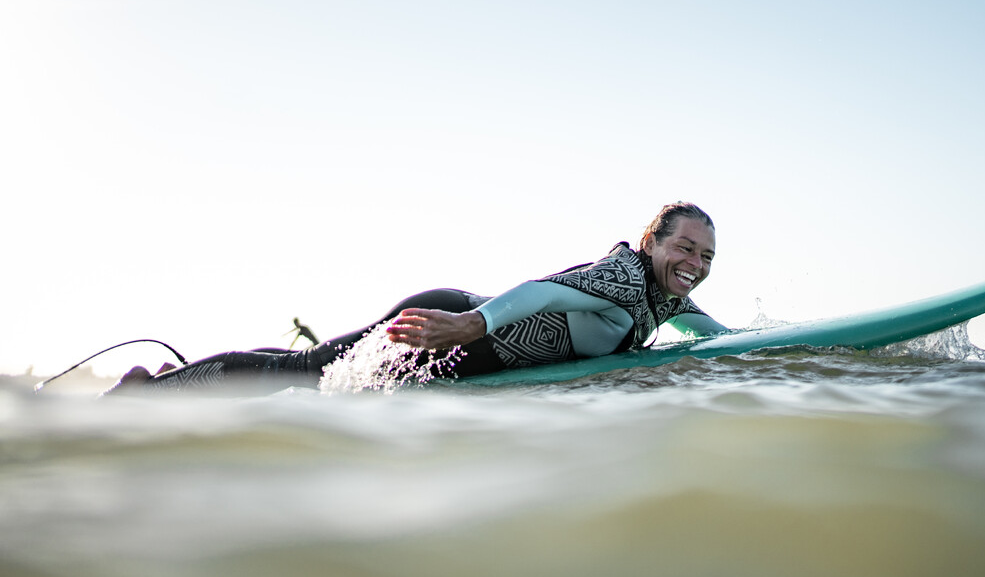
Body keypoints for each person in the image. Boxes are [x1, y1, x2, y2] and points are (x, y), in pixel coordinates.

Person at [109, 202, 726, 394]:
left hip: (461, 341)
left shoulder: (663, 298)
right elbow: (541, 290)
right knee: (305, 371)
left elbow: (714, 335)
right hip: (447, 325)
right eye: (686, 249)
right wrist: (466, 327)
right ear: (652, 242)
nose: (694, 264)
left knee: (312, 364)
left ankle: (179, 376)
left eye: (706, 257)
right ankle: (149, 390)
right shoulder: (622, 277)